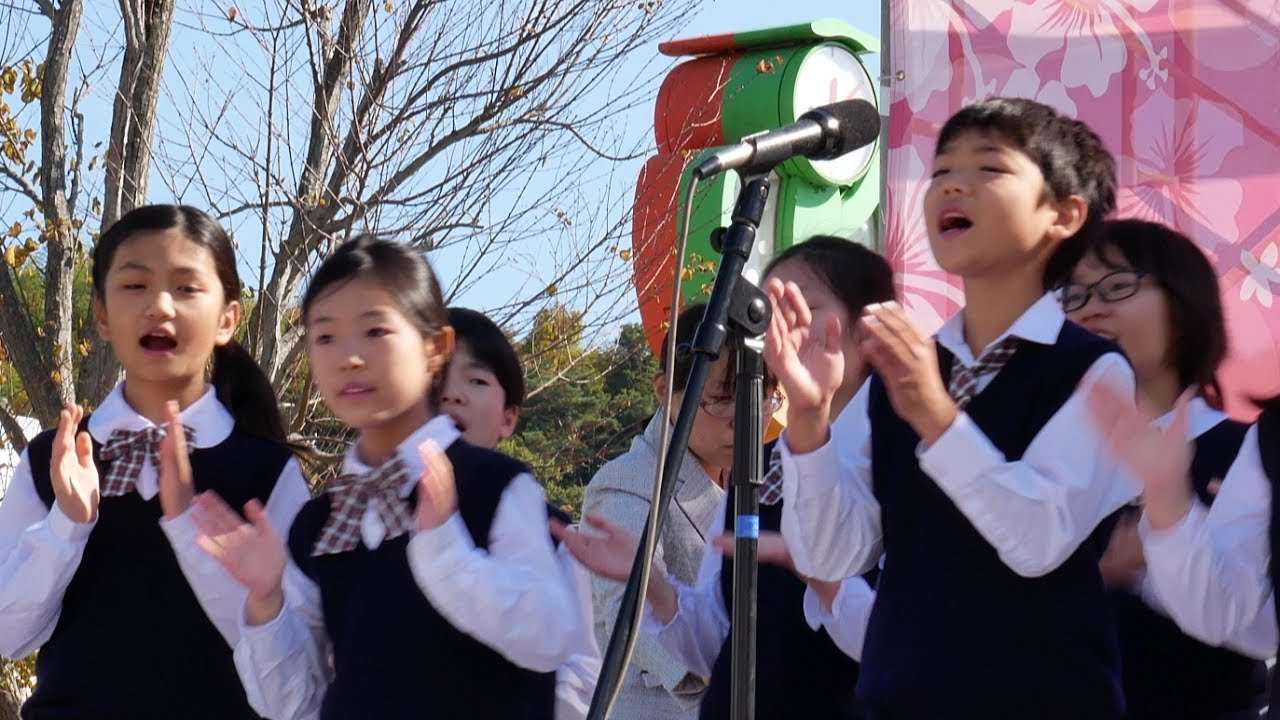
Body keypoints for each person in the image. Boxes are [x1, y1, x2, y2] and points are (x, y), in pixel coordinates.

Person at [769, 97, 1135, 718]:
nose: (952, 186)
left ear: (1064, 214)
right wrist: (809, 418)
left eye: (989, 168)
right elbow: (830, 555)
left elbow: (1037, 539)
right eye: (941, 171)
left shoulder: (1096, 372)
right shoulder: (902, 373)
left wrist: (936, 415)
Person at [191, 235, 579, 719]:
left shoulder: (496, 485)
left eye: (375, 331)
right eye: (326, 337)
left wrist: (445, 549)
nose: (349, 357)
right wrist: (266, 599)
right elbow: (293, 705)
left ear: (436, 347)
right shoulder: (321, 522)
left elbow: (550, 637)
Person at [557, 236, 893, 719]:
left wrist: (821, 579)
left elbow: (915, 643)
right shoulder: (755, 470)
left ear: (869, 326)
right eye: (772, 312)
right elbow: (723, 636)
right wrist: (655, 588)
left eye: (805, 307)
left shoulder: (909, 453)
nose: (784, 328)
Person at [0, 204, 310, 719]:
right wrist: (67, 525)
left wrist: (193, 526)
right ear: (101, 315)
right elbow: (9, 636)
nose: (159, 306)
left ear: (227, 319)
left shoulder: (267, 472)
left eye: (186, 288)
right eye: (135, 285)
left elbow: (296, 694)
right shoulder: (53, 460)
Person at [1048, 218, 1266, 719]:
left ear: (1184, 306)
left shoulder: (1247, 451)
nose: (1091, 308)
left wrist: (1163, 544)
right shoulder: (1038, 456)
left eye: (1117, 286)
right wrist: (1097, 576)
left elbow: (1255, 626)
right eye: (1073, 295)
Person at [578, 302, 738, 719]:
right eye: (721, 399)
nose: (740, 416)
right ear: (665, 390)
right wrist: (720, 667)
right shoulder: (629, 480)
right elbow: (629, 609)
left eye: (760, 396)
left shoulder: (759, 482)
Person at [441, 305, 601, 720]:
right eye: (435, 376)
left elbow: (581, 675)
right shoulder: (371, 516)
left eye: (476, 380)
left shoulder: (549, 532)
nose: (452, 394)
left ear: (508, 418)